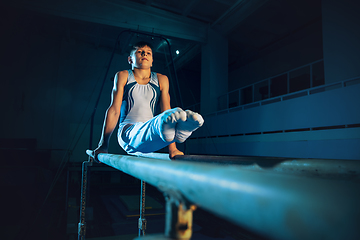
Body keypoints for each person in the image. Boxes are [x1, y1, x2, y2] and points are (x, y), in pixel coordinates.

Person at [92, 41, 203, 161]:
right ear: (130, 59)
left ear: (152, 60)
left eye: (148, 53)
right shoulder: (123, 76)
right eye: (139, 52)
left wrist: (173, 149)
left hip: (152, 137)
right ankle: (175, 130)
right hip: (128, 134)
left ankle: (178, 134)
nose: (144, 53)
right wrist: (103, 145)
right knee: (160, 123)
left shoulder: (162, 79)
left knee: (165, 122)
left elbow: (166, 110)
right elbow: (114, 110)